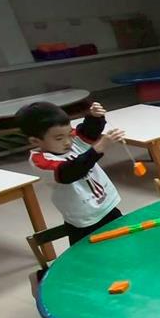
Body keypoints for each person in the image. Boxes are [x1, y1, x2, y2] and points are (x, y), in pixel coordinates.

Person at [16, 101, 125, 244]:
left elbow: (87, 132)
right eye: (59, 138)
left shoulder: (72, 141)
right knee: (89, 252)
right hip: (82, 220)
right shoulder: (40, 161)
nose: (68, 141)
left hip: (107, 206)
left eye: (69, 134)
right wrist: (98, 148)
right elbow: (70, 172)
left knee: (123, 241)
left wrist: (94, 117)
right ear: (35, 141)